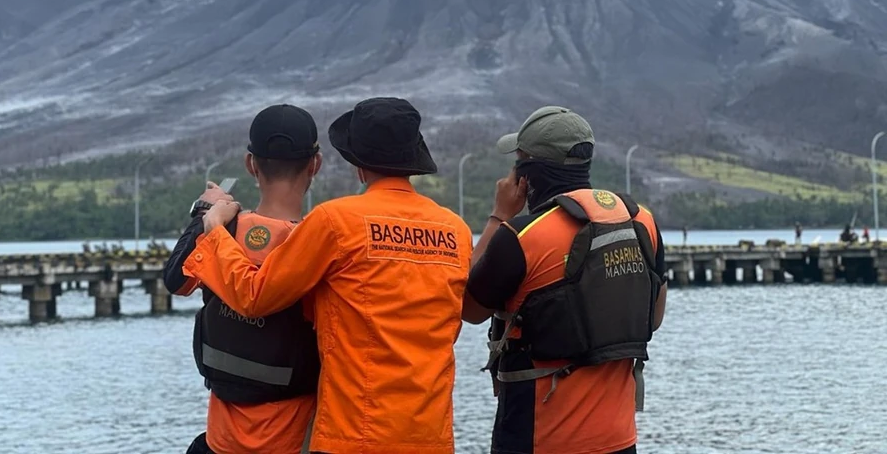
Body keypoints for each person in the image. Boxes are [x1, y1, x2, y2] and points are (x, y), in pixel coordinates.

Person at [182, 97, 474, 454]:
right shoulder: (455, 231)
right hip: (431, 435)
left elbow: (254, 296)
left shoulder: (337, 222)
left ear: (357, 164)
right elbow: (466, 314)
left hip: (354, 433)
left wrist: (213, 229)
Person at [462, 106, 668, 454]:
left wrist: (499, 216)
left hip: (539, 438)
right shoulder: (640, 220)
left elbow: (468, 308)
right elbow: (654, 317)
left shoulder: (521, 235)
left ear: (526, 171)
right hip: (618, 438)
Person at [163, 104, 323, 454]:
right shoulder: (316, 244)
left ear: (251, 164)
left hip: (220, 443)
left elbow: (176, 280)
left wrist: (205, 215)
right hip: (289, 441)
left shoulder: (225, 228)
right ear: (315, 164)